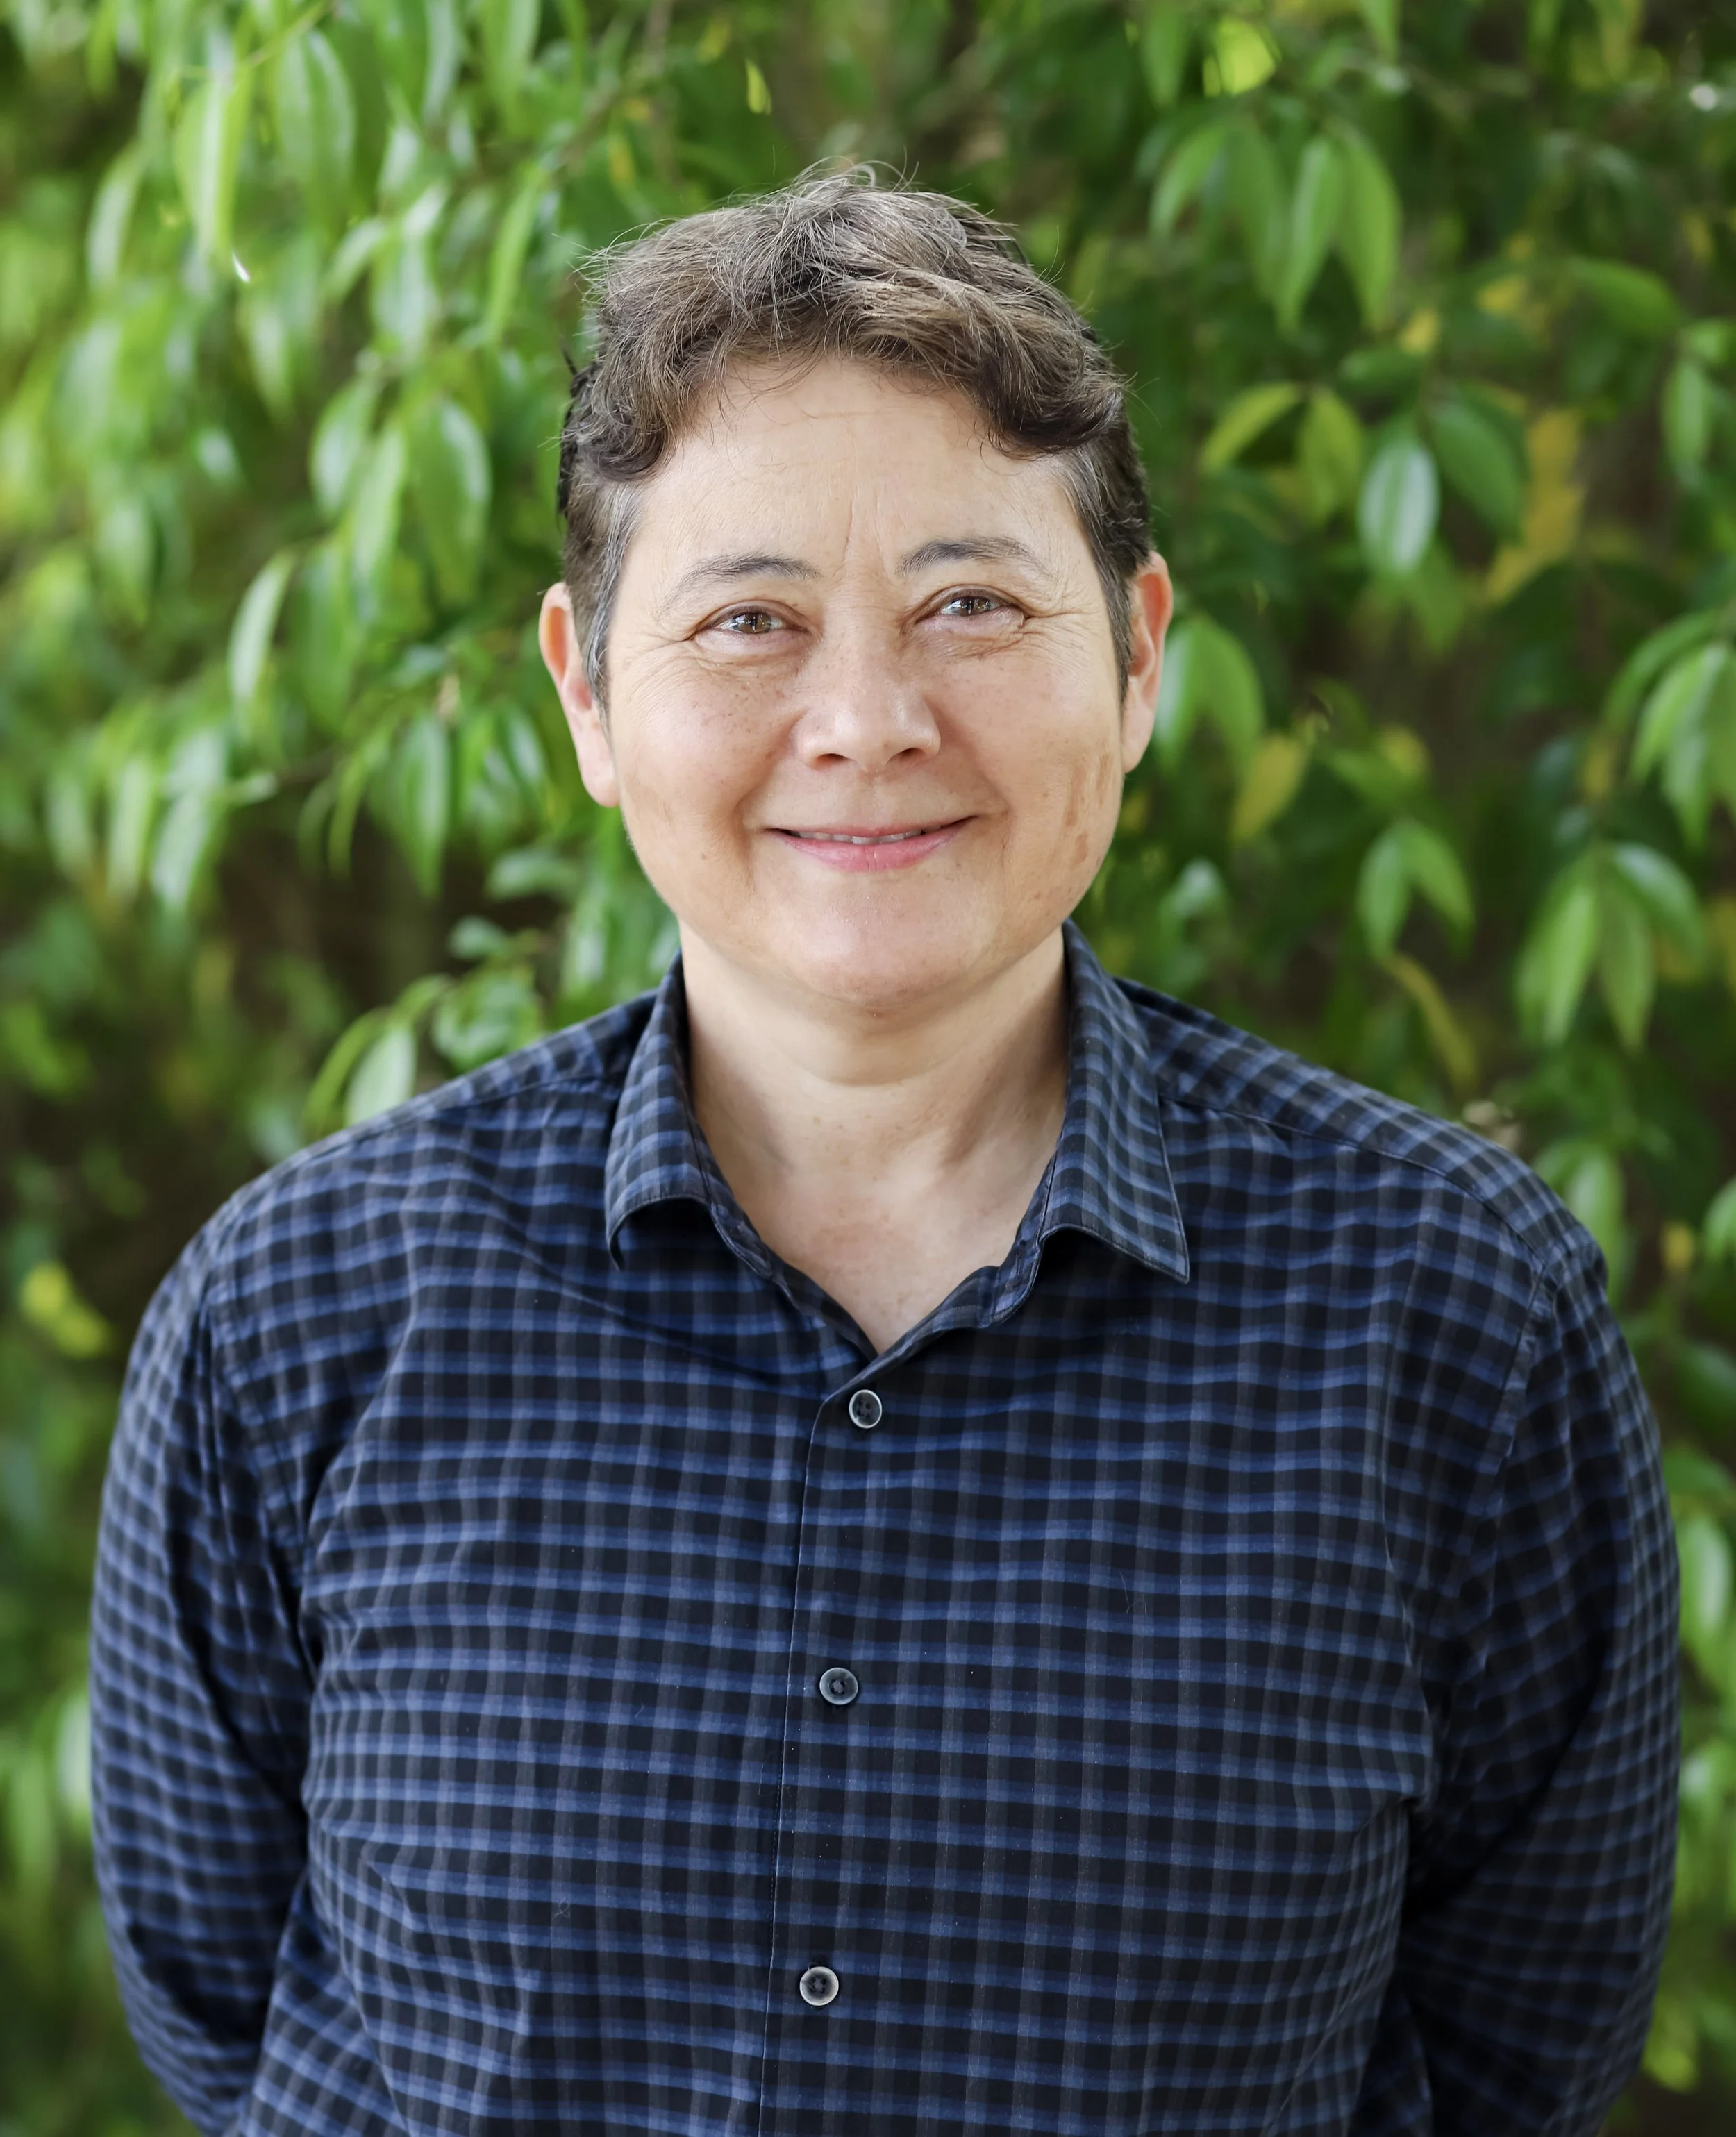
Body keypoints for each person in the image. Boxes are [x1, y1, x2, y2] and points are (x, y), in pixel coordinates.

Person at [91, 170, 1679, 2137]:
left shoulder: (1446, 1306)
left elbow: (1520, 2050)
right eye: (749, 619)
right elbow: (219, 2006)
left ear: (1137, 651)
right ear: (585, 690)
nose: (865, 718)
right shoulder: (297, 1313)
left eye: (970, 606)